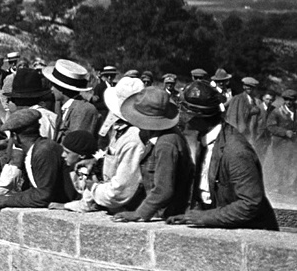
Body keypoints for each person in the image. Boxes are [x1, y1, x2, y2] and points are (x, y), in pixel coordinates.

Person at [165, 82, 278, 229]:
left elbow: (250, 203)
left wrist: (205, 217)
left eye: (184, 112)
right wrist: (190, 215)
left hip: (251, 234)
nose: (181, 117)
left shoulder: (236, 152)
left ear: (198, 116)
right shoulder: (205, 139)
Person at [63, 76, 147, 214]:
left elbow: (121, 189)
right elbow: (113, 154)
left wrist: (93, 188)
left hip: (126, 209)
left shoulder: (133, 138)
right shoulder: (120, 130)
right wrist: (97, 161)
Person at [112, 85, 193, 223]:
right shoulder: (158, 138)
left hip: (168, 214)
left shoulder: (166, 144)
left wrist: (140, 213)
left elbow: (163, 190)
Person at [0, 108, 72, 211]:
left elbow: (43, 195)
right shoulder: (37, 149)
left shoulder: (44, 151)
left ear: (15, 136)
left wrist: (6, 200)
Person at [44, 59, 99, 139]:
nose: (52, 89)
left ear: (61, 88)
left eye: (54, 86)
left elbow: (77, 145)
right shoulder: (61, 107)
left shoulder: (84, 110)